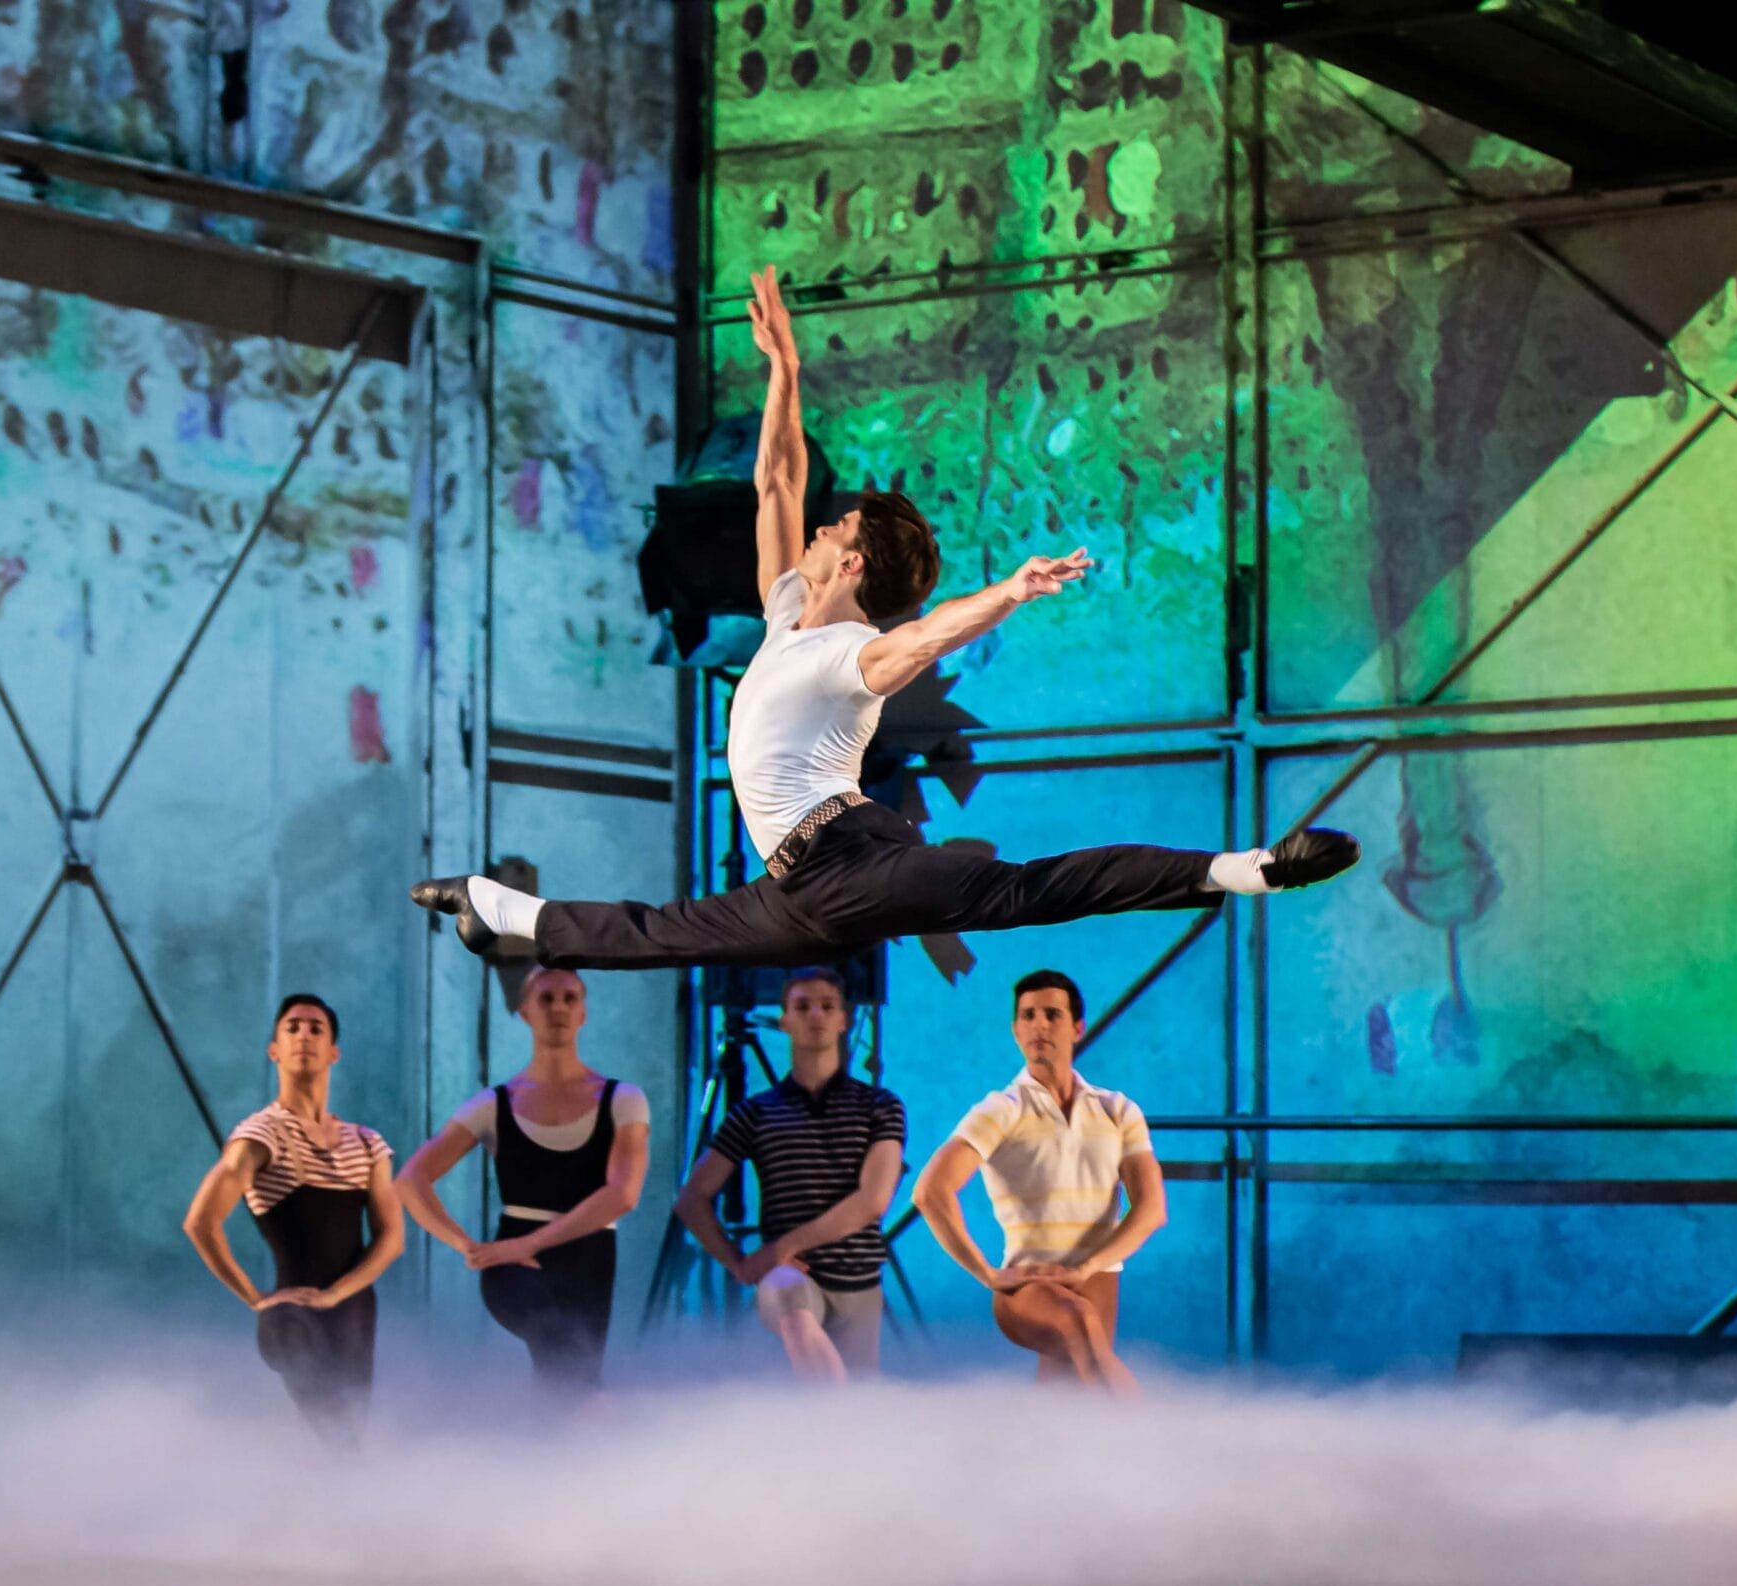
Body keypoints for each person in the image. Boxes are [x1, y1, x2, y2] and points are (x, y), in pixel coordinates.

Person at [410, 265, 1359, 971]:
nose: (819, 525)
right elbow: (777, 475)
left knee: (1024, 893)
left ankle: (1249, 869)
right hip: (802, 885)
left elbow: (924, 636)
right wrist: (783, 367)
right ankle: (489, 907)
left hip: (855, 859)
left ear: (852, 561)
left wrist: (1010, 592)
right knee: (666, 934)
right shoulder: (788, 606)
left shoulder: (846, 653)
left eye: (839, 526)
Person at [395, 967, 651, 1392]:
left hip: (587, 1258)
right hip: (513, 1264)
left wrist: (531, 1243)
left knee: (575, 1375)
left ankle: (556, 1452)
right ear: (524, 1011)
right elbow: (410, 1180)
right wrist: (469, 1247)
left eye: (570, 998)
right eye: (546, 999)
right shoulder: (493, 1104)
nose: (559, 1008)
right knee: (557, 1342)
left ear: (584, 1013)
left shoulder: (622, 1099)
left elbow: (623, 1194)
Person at [912, 968, 1164, 1397]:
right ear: (1015, 1030)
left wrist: (1086, 1267)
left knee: (1068, 1395)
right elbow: (930, 1192)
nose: (1039, 1025)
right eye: (1028, 1016)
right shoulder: (1002, 1109)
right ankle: (1164, 1450)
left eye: (1052, 1014)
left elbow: (1152, 1209)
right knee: (1080, 1331)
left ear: (1077, 1027)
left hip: (1097, 1277)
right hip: (1030, 1286)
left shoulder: (1117, 1109)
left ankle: (1025, 1457)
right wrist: (987, 1274)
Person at [180, 993, 405, 1443]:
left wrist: (337, 1293)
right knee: (330, 1426)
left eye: (316, 1028)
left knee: (350, 1431)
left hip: (354, 1306)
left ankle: (334, 1504)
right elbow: (200, 1222)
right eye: (293, 1028)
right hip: (291, 1314)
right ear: (274, 1050)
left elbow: (392, 1239)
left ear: (333, 1052)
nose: (304, 1035)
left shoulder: (366, 1144)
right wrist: (254, 1298)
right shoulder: (261, 1134)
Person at [663, 966, 904, 1381]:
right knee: (794, 1311)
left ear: (843, 1018)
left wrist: (779, 1247)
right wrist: (738, 1263)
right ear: (785, 1019)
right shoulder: (756, 1113)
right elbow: (692, 1198)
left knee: (861, 1404)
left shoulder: (879, 1105)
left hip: (858, 1278)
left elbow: (873, 1201)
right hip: (792, 1276)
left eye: (827, 1006)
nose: (815, 1016)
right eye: (803, 1007)